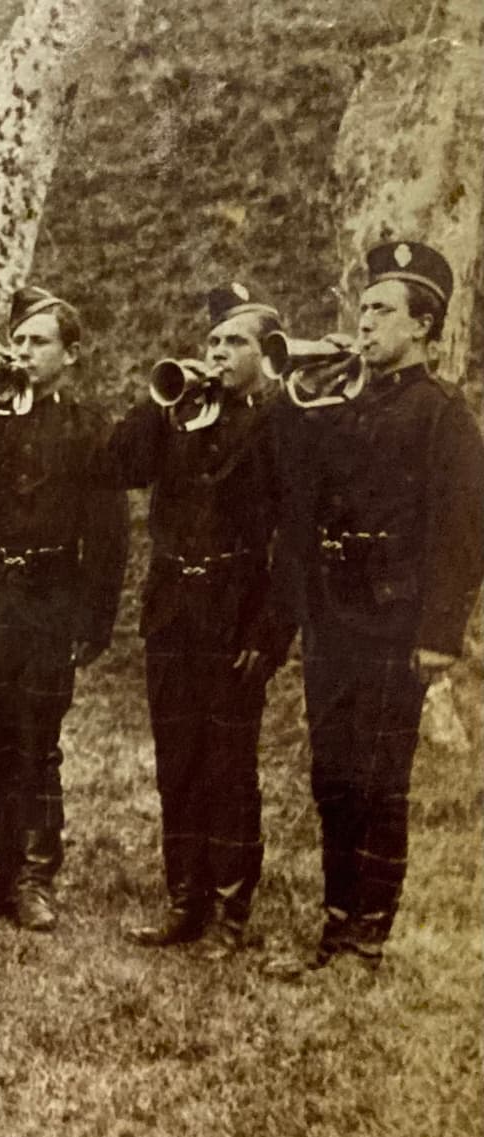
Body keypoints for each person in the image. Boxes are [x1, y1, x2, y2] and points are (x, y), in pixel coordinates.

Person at [265, 241, 484, 975]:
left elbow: (462, 533)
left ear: (423, 326)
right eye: (361, 310)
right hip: (334, 616)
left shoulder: (444, 412)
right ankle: (334, 925)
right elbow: (290, 480)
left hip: (396, 621)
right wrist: (295, 391)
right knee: (332, 774)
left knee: (380, 778)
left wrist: (438, 635)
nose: (363, 324)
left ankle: (369, 935)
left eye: (381, 311)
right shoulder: (339, 400)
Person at [101, 282, 291, 957]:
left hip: (236, 613)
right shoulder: (180, 411)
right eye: (211, 342)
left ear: (265, 353)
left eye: (233, 342)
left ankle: (230, 913)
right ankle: (185, 899)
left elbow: (292, 540)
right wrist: (162, 403)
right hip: (174, 610)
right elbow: (118, 464)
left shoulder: (280, 420)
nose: (216, 354)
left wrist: (270, 632)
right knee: (177, 760)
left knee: (228, 766)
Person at [0, 286, 127, 932]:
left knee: (37, 745)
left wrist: (93, 620)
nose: (23, 351)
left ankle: (36, 879)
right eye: (18, 340)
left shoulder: (88, 427)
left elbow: (107, 533)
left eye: (38, 341)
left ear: (70, 354)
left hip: (49, 602)